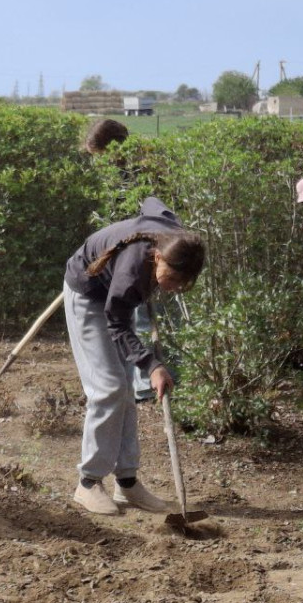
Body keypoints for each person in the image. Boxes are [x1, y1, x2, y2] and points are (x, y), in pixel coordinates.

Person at [63, 197, 205, 516]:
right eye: (170, 278)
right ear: (156, 256)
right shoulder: (131, 268)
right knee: (109, 388)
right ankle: (87, 483)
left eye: (182, 284)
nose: (172, 287)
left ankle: (126, 484)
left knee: (126, 392)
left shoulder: (176, 238)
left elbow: (153, 203)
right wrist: (151, 365)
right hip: (89, 297)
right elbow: (116, 320)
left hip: (117, 299)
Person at [84, 117, 155, 402]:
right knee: (133, 316)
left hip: (149, 254)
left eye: (100, 156)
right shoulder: (118, 175)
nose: (99, 163)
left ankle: (147, 383)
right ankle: (142, 380)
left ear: (113, 149)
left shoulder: (139, 174)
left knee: (144, 319)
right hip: (127, 253)